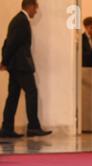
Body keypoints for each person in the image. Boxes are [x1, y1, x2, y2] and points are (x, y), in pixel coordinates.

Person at [0, 0, 52, 138]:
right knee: (31, 93)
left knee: (13, 97)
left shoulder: (19, 20)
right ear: (30, 6)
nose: (36, 11)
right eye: (35, 8)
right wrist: (4, 61)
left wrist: (5, 61)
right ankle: (33, 127)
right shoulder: (21, 21)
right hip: (21, 66)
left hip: (16, 66)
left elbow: (8, 43)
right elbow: (11, 44)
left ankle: (6, 128)